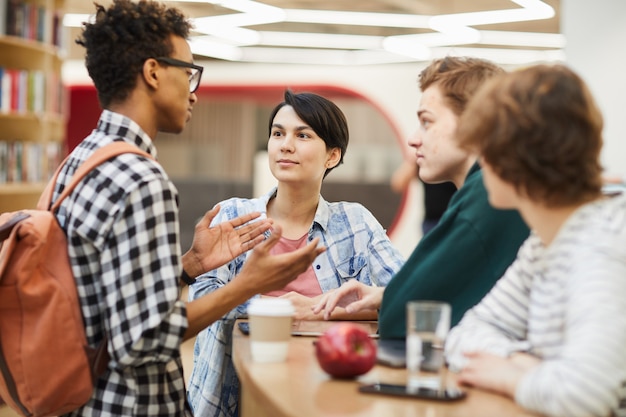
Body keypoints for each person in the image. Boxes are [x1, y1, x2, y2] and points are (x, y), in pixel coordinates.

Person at [59, 1, 324, 416]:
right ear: (153, 72)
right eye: (188, 73)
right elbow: (146, 340)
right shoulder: (142, 180)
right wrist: (247, 285)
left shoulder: (80, 162)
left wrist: (189, 267)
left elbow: (112, 298)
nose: (193, 91)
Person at [187, 90, 405, 417]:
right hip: (234, 394)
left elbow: (406, 294)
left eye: (302, 135)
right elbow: (202, 300)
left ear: (332, 156)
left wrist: (318, 310)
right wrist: (278, 308)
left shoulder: (355, 223)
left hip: (328, 391)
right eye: (278, 133)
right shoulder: (234, 215)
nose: (285, 145)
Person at [445, 64, 626, 417]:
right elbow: (466, 335)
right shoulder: (545, 242)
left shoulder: (601, 245)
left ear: (514, 159)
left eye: (487, 151)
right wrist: (519, 362)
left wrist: (510, 377)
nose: (483, 164)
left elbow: (584, 396)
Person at [313, 57, 530, 338]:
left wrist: (394, 301)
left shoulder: (487, 196)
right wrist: (387, 295)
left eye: (427, 122)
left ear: (477, 124)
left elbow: (401, 320)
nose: (414, 139)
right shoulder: (491, 189)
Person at [390, 159, 456, 235]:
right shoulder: (423, 160)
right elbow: (398, 183)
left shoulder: (453, 158)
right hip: (432, 221)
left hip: (453, 220)